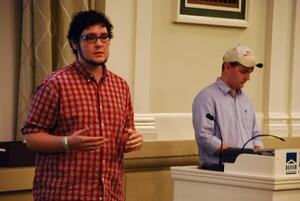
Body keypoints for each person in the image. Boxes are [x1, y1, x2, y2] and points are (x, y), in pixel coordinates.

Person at [21, 10, 143, 201]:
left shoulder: (120, 86)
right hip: (64, 194)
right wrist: (67, 143)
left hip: (110, 193)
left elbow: (127, 133)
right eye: (90, 38)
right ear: (74, 43)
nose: (99, 44)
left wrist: (131, 141)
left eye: (104, 37)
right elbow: (31, 137)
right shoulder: (55, 84)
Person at [192, 44, 264, 171]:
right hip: (219, 170)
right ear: (227, 67)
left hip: (248, 169)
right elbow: (204, 136)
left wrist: (262, 155)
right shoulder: (207, 97)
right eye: (243, 72)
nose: (248, 78)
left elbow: (255, 134)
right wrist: (234, 154)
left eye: (251, 72)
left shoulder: (246, 100)